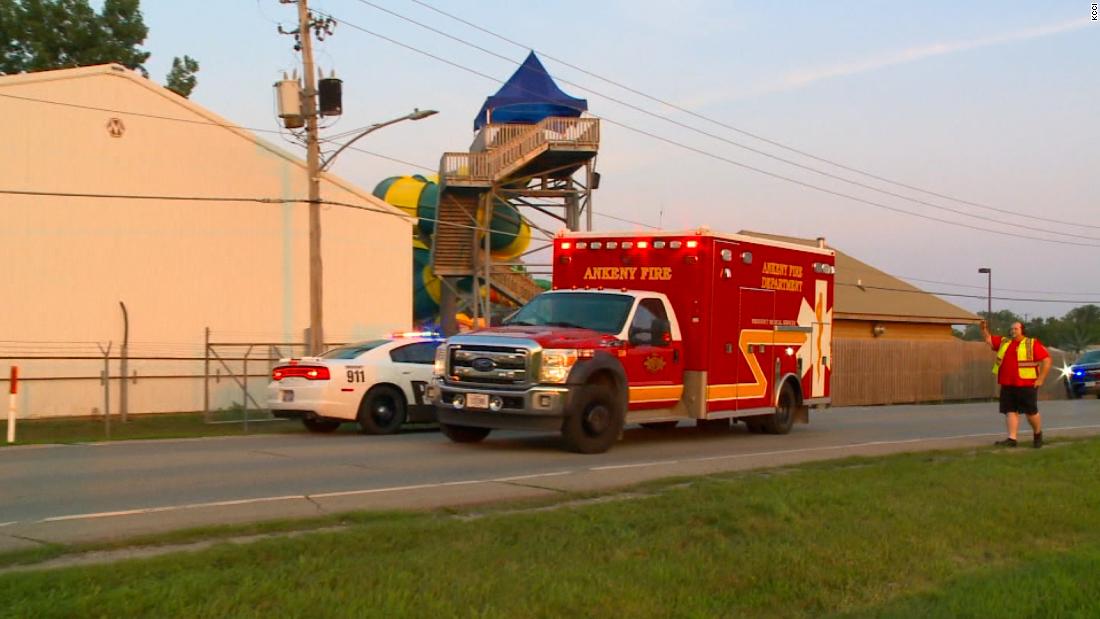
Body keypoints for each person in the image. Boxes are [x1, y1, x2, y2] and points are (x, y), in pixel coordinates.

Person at [980, 320, 1052, 448]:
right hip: (1007, 383)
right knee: (1010, 411)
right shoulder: (1004, 342)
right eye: (1011, 329)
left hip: (1026, 383)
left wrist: (1041, 379)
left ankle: (1037, 435)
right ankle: (1012, 439)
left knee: (1031, 412)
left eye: (1016, 329)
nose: (1013, 331)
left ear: (1022, 330)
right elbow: (989, 339)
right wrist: (983, 329)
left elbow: (1046, 360)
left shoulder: (1031, 343)